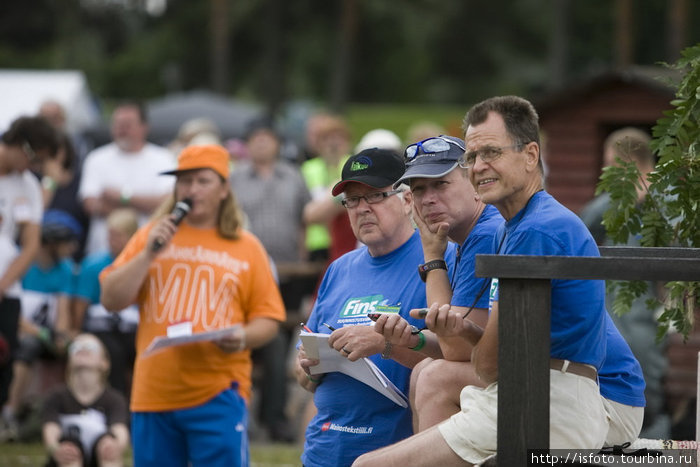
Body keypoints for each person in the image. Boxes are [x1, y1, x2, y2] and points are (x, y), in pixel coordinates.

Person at [353, 95, 645, 467]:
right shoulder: (516, 226)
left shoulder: (524, 230)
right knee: (431, 375)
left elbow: (482, 361)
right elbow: (484, 346)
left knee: (421, 396)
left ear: (530, 155)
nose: (480, 166)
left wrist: (429, 314)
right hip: (548, 388)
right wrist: (458, 332)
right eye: (473, 157)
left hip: (577, 397)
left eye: (491, 153)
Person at [99, 144, 285, 467]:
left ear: (224, 189)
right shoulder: (150, 236)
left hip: (218, 392)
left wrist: (240, 337)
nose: (191, 189)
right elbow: (111, 299)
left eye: (202, 181)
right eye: (184, 181)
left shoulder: (247, 247)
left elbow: (269, 318)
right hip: (154, 393)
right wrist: (148, 255)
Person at [294, 148, 430, 467]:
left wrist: (384, 345)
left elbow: (454, 360)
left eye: (375, 196)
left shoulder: (438, 263)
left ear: (407, 200)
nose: (362, 209)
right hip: (323, 451)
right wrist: (309, 366)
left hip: (391, 452)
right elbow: (305, 378)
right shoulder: (339, 269)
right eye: (352, 200)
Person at [376, 134, 502, 431]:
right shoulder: (464, 238)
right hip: (543, 372)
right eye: (418, 189)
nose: (428, 199)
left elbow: (456, 349)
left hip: (593, 387)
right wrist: (411, 340)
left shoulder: (486, 233)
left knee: (435, 377)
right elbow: (459, 340)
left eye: (441, 184)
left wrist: (433, 257)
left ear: (474, 185)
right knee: (424, 370)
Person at [580, 127, 668, 437]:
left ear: (620, 163)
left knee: (642, 403)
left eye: (609, 165)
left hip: (637, 320)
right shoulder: (611, 206)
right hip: (628, 320)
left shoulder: (666, 202)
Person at [230, 120, 311, 442]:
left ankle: (272, 416)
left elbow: (304, 220)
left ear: (277, 144)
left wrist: (303, 259)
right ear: (248, 144)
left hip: (289, 274)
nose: (262, 144)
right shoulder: (234, 178)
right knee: (260, 342)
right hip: (244, 274)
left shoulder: (293, 176)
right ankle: (254, 417)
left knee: (279, 341)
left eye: (268, 139)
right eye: (256, 139)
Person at [0, 209, 81, 441]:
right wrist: (40, 333)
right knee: (26, 347)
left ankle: (66, 416)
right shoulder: (20, 265)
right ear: (51, 242)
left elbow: (63, 311)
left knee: (74, 346)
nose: (72, 247)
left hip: (43, 334)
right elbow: (11, 314)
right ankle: (10, 413)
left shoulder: (64, 269)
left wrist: (61, 336)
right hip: (20, 332)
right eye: (67, 242)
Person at [0, 116, 59, 425]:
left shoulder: (28, 186)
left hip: (7, 289)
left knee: (5, 359)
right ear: (20, 144)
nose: (32, 167)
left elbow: (31, 245)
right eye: (32, 157)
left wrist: (3, 285)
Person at [79, 101, 174, 256]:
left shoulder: (163, 158)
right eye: (118, 124)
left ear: (144, 127)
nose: (122, 129)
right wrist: (145, 206)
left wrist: (121, 197)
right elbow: (91, 205)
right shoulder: (96, 158)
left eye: (128, 124)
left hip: (148, 252)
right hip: (102, 251)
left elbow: (167, 203)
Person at [73, 208, 140, 398]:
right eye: (110, 235)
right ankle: (118, 403)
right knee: (114, 353)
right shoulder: (93, 264)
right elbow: (80, 304)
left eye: (118, 236)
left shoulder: (141, 263)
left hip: (132, 326)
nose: (112, 241)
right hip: (100, 325)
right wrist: (77, 332)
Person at [41, 333, 130, 467]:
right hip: (64, 461)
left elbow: (120, 430)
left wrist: (115, 446)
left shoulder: (115, 399)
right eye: (75, 347)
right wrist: (56, 449)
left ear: (104, 363)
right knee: (70, 449)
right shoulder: (55, 396)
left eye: (90, 347)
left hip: (101, 459)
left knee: (107, 445)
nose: (82, 349)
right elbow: (50, 431)